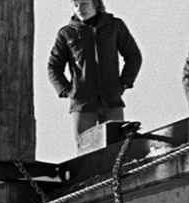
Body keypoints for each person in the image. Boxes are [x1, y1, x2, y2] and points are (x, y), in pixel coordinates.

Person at [47, 0, 142, 151]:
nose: (79, 9)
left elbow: (133, 56)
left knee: (117, 150)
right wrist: (67, 90)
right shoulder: (67, 33)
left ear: (95, 4)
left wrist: (124, 83)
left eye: (84, 4)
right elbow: (53, 66)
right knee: (86, 153)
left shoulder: (115, 26)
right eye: (76, 5)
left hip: (112, 101)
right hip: (83, 105)